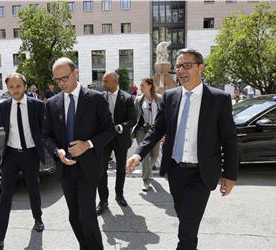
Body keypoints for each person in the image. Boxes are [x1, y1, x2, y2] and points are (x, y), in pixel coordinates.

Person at [126, 48, 238, 250]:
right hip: (175, 172)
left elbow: (229, 140)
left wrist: (230, 175)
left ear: (200, 68)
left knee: (186, 231)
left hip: (201, 174)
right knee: (186, 221)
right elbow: (157, 129)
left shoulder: (218, 99)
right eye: (178, 66)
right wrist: (138, 153)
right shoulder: (169, 97)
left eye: (187, 65)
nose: (181, 70)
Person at [44, 57, 115, 250]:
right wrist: (57, 151)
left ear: (75, 73)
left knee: (87, 217)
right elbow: (47, 136)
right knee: (74, 216)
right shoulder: (52, 103)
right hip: (66, 169)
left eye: (64, 78)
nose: (61, 83)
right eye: (57, 79)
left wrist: (88, 144)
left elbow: (109, 130)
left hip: (89, 168)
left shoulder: (95, 98)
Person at [0, 73, 46, 250]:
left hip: (30, 154)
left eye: (18, 86)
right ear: (7, 88)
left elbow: (42, 130)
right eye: (11, 87)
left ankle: (38, 218)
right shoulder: (3, 106)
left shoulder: (37, 105)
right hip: (11, 155)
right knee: (5, 197)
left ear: (25, 86)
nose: (15, 90)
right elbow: (8, 129)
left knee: (33, 189)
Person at [96, 72, 136, 215]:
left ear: (115, 82)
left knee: (120, 169)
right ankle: (103, 200)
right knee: (101, 170)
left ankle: (119, 195)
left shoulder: (127, 98)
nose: (103, 84)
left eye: (106, 81)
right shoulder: (100, 97)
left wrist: (120, 127)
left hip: (120, 139)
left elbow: (133, 120)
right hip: (104, 140)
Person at [131, 78, 162, 192]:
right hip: (142, 130)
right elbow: (134, 115)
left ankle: (148, 173)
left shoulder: (159, 98)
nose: (140, 87)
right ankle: (146, 180)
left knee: (155, 155)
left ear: (150, 85)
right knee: (144, 155)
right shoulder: (139, 99)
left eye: (143, 85)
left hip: (156, 130)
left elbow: (164, 116)